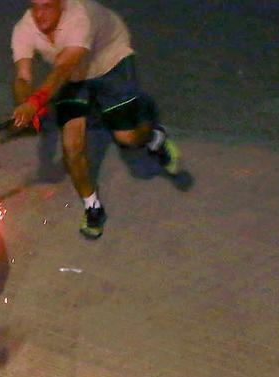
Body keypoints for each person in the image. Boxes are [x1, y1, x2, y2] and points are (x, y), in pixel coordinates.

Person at [10, 0, 182, 239]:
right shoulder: (24, 28)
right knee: (72, 147)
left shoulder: (80, 18)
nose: (40, 14)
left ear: (62, 5)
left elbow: (63, 68)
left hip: (110, 65)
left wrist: (35, 103)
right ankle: (93, 206)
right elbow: (23, 77)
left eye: (47, 6)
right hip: (74, 79)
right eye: (35, 6)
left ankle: (154, 136)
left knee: (129, 138)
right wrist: (23, 104)